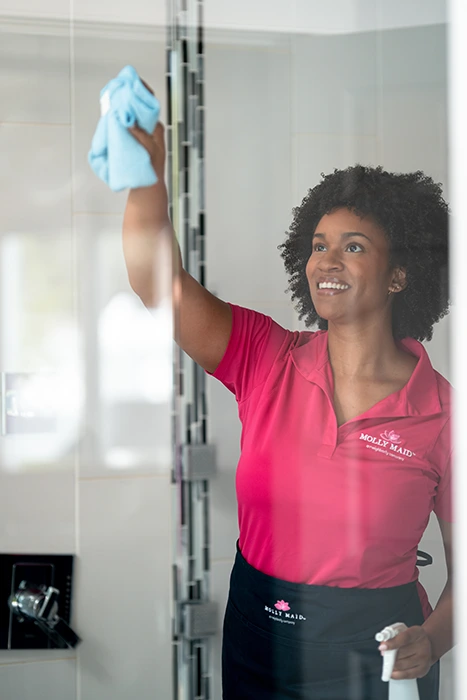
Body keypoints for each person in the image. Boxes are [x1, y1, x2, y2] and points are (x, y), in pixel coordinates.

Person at [123, 114, 453, 699]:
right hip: (258, 635)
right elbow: (157, 283)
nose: (327, 260)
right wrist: (147, 180)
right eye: (319, 245)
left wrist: (436, 639)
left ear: (401, 274)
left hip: (376, 651)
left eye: (353, 247)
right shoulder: (265, 356)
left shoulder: (444, 415)